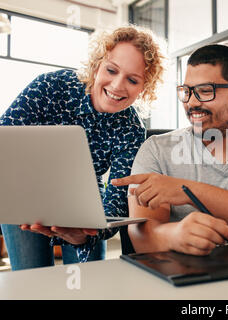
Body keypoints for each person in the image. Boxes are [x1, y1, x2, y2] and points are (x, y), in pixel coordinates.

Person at [0, 26, 165, 270]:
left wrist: (90, 232)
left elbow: (117, 201)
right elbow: (6, 140)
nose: (118, 86)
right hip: (27, 192)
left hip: (85, 198)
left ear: (144, 87)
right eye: (111, 70)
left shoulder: (131, 130)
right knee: (31, 278)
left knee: (86, 282)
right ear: (97, 65)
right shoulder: (50, 87)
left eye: (132, 80)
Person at [112, 44, 228, 256]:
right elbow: (141, 237)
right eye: (187, 92)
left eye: (205, 91)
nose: (192, 102)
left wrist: (187, 191)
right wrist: (174, 236)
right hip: (181, 281)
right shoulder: (155, 150)